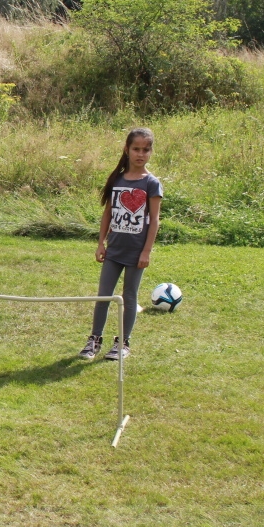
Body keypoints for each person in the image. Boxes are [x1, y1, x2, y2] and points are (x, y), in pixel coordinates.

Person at [80, 127, 163, 361]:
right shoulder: (117, 179)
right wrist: (100, 244)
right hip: (114, 250)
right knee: (104, 295)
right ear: (127, 150)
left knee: (129, 296)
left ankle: (123, 343)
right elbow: (108, 213)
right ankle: (94, 339)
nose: (140, 154)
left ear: (150, 152)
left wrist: (146, 251)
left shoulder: (152, 183)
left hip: (136, 252)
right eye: (136, 149)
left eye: (146, 150)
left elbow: (155, 220)